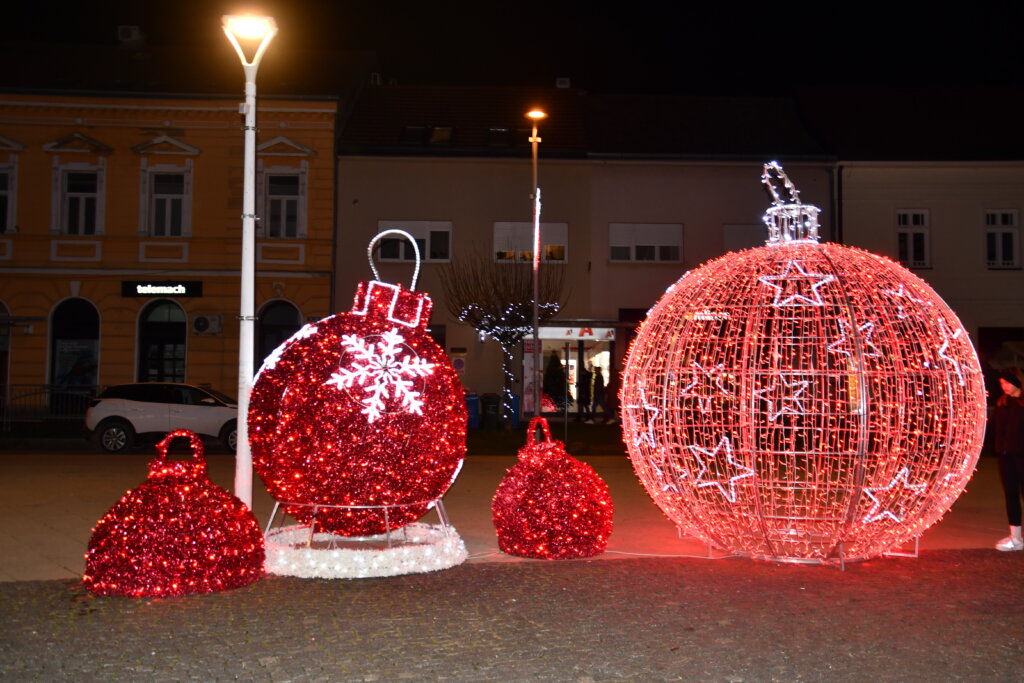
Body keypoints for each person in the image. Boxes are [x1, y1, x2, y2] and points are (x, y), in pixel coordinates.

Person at [992, 367, 1024, 551]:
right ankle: (1016, 537)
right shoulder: (1002, 403)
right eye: (1001, 383)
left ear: (1017, 382)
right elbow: (996, 429)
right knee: (1011, 495)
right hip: (1006, 457)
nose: (1003, 386)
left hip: (1022, 455)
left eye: (1007, 382)